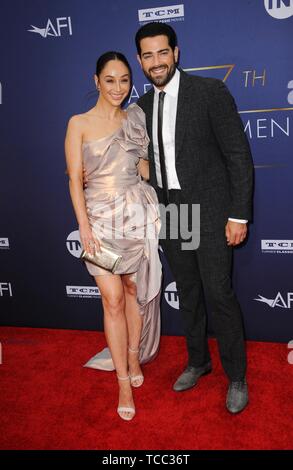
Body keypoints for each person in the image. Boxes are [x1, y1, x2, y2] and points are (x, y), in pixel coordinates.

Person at [135, 22, 254, 414]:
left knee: (219, 293)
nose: (156, 62)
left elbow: (238, 155)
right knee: (188, 291)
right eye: (148, 55)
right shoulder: (142, 108)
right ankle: (198, 361)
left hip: (211, 210)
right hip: (171, 210)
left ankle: (236, 375)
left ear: (176, 52)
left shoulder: (209, 92)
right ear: (140, 60)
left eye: (162, 52)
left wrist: (238, 214)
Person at [65, 51, 162, 421]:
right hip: (99, 222)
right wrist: (84, 226)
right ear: (96, 81)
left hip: (135, 214)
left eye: (124, 80)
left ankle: (135, 357)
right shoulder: (79, 124)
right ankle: (122, 381)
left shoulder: (135, 119)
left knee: (134, 294)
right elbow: (75, 179)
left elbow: (144, 170)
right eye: (110, 80)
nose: (118, 87)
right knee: (113, 301)